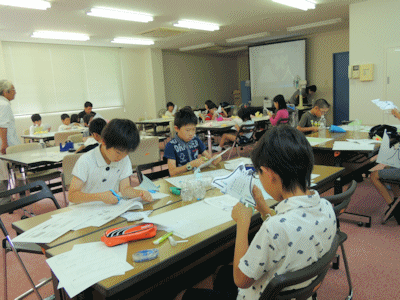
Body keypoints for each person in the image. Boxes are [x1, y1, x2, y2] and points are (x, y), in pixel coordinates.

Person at [178, 126, 337, 300]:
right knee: (222, 273)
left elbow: (240, 279)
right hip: (295, 290)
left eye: (258, 173)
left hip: (262, 295)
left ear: (269, 174)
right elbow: (292, 231)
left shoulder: (273, 228)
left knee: (184, 295)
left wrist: (242, 223)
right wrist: (265, 210)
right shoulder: (326, 206)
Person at [68, 119, 152, 204]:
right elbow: (72, 195)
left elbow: (125, 189)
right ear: (104, 142)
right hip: (84, 210)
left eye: (126, 153)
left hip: (107, 209)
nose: (121, 157)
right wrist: (100, 197)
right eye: (118, 152)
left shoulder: (124, 159)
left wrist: (140, 193)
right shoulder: (86, 160)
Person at [164, 108, 221, 176]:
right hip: (180, 180)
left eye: (194, 129)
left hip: (195, 177)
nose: (191, 133)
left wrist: (214, 159)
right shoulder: (171, 146)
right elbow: (172, 172)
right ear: (176, 128)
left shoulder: (196, 140)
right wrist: (190, 165)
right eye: (187, 130)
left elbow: (208, 157)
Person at [0, 80, 20, 204]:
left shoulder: (2, 103)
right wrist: (5, 144)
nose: (15, 92)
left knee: (3, 171)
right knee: (5, 171)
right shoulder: (4, 105)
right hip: (6, 143)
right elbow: (3, 126)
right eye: (13, 89)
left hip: (5, 142)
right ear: (6, 92)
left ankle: (6, 198)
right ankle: (5, 200)